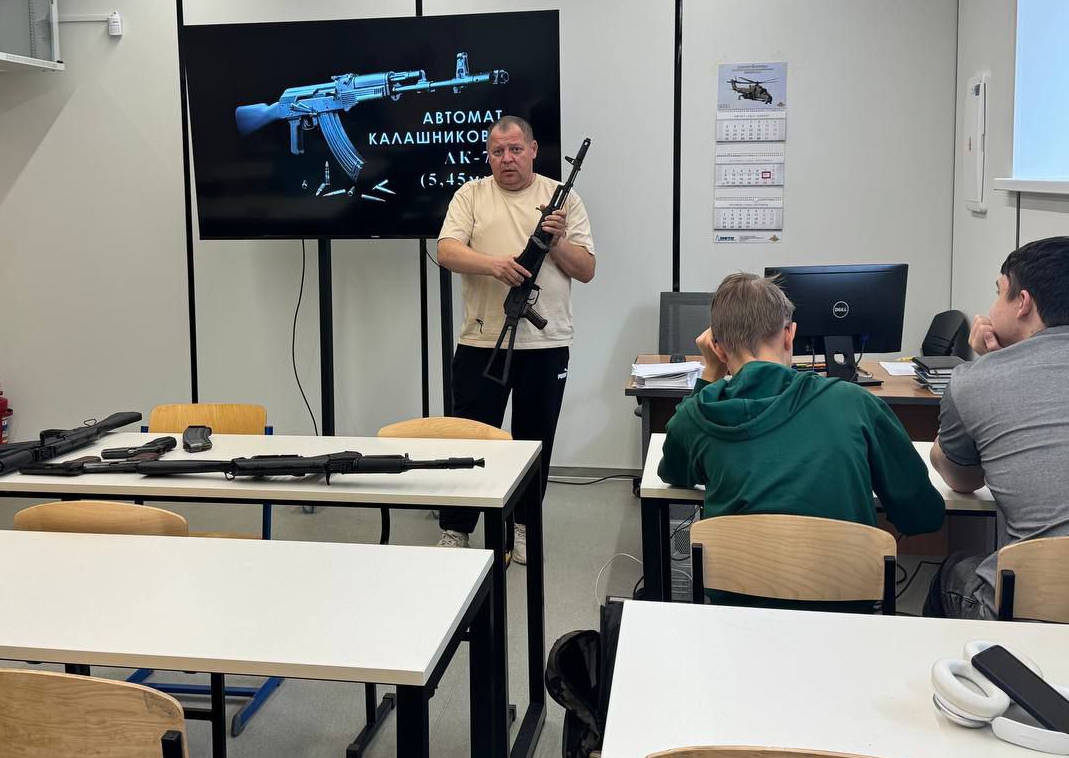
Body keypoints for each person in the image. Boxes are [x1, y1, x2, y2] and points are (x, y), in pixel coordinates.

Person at [659, 272, 944, 606]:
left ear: (718, 349)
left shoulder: (697, 415)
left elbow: (673, 471)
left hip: (737, 617)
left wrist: (709, 375)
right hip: (845, 617)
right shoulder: (854, 403)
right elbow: (923, 515)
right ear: (789, 334)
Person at [434, 115, 595, 560]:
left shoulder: (563, 199)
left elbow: (586, 269)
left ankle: (523, 526)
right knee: (468, 438)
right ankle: (457, 528)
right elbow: (446, 250)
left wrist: (557, 241)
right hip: (481, 341)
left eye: (516, 149)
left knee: (534, 442)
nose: (507, 158)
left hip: (546, 344)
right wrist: (495, 265)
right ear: (488, 155)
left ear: (533, 150)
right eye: (498, 151)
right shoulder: (471, 194)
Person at [926, 237, 1069, 620]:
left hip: (1034, 605)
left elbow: (962, 479)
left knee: (952, 572)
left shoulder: (975, 381)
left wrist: (988, 364)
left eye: (997, 292)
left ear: (1022, 303)